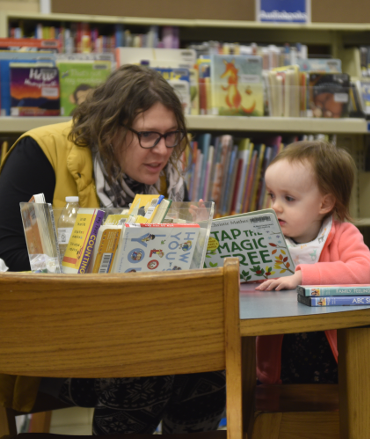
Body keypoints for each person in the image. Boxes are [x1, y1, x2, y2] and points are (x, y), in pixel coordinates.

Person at [0, 64, 225, 435]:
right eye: (149, 135)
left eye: (172, 136)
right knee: (146, 370)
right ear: (109, 130)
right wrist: (97, 271)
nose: (163, 150)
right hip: (48, 344)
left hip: (140, 332)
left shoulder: (164, 174)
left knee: (209, 365)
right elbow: (9, 250)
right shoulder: (41, 150)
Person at [254, 140, 370, 385]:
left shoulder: (344, 234)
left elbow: (364, 270)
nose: (275, 207)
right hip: (279, 355)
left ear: (324, 204)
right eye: (272, 195)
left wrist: (302, 276)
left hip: (330, 357)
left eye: (289, 198)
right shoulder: (267, 237)